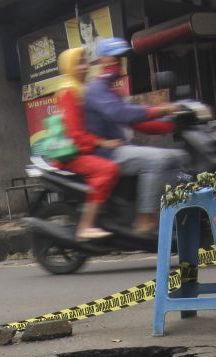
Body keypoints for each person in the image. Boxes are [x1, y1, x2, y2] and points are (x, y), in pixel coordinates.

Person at [83, 37, 183, 235]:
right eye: (115, 57)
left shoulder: (112, 92)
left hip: (122, 149)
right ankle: (145, 218)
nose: (119, 62)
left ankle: (166, 208)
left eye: (122, 58)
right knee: (158, 160)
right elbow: (119, 113)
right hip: (107, 153)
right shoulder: (96, 89)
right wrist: (160, 110)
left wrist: (174, 124)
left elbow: (137, 121)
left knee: (178, 157)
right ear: (103, 60)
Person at [55, 47, 121, 240]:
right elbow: (75, 133)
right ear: (68, 67)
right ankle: (86, 225)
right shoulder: (69, 91)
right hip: (73, 153)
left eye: (85, 62)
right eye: (78, 63)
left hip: (84, 149)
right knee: (107, 169)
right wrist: (103, 142)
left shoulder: (82, 89)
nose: (84, 67)